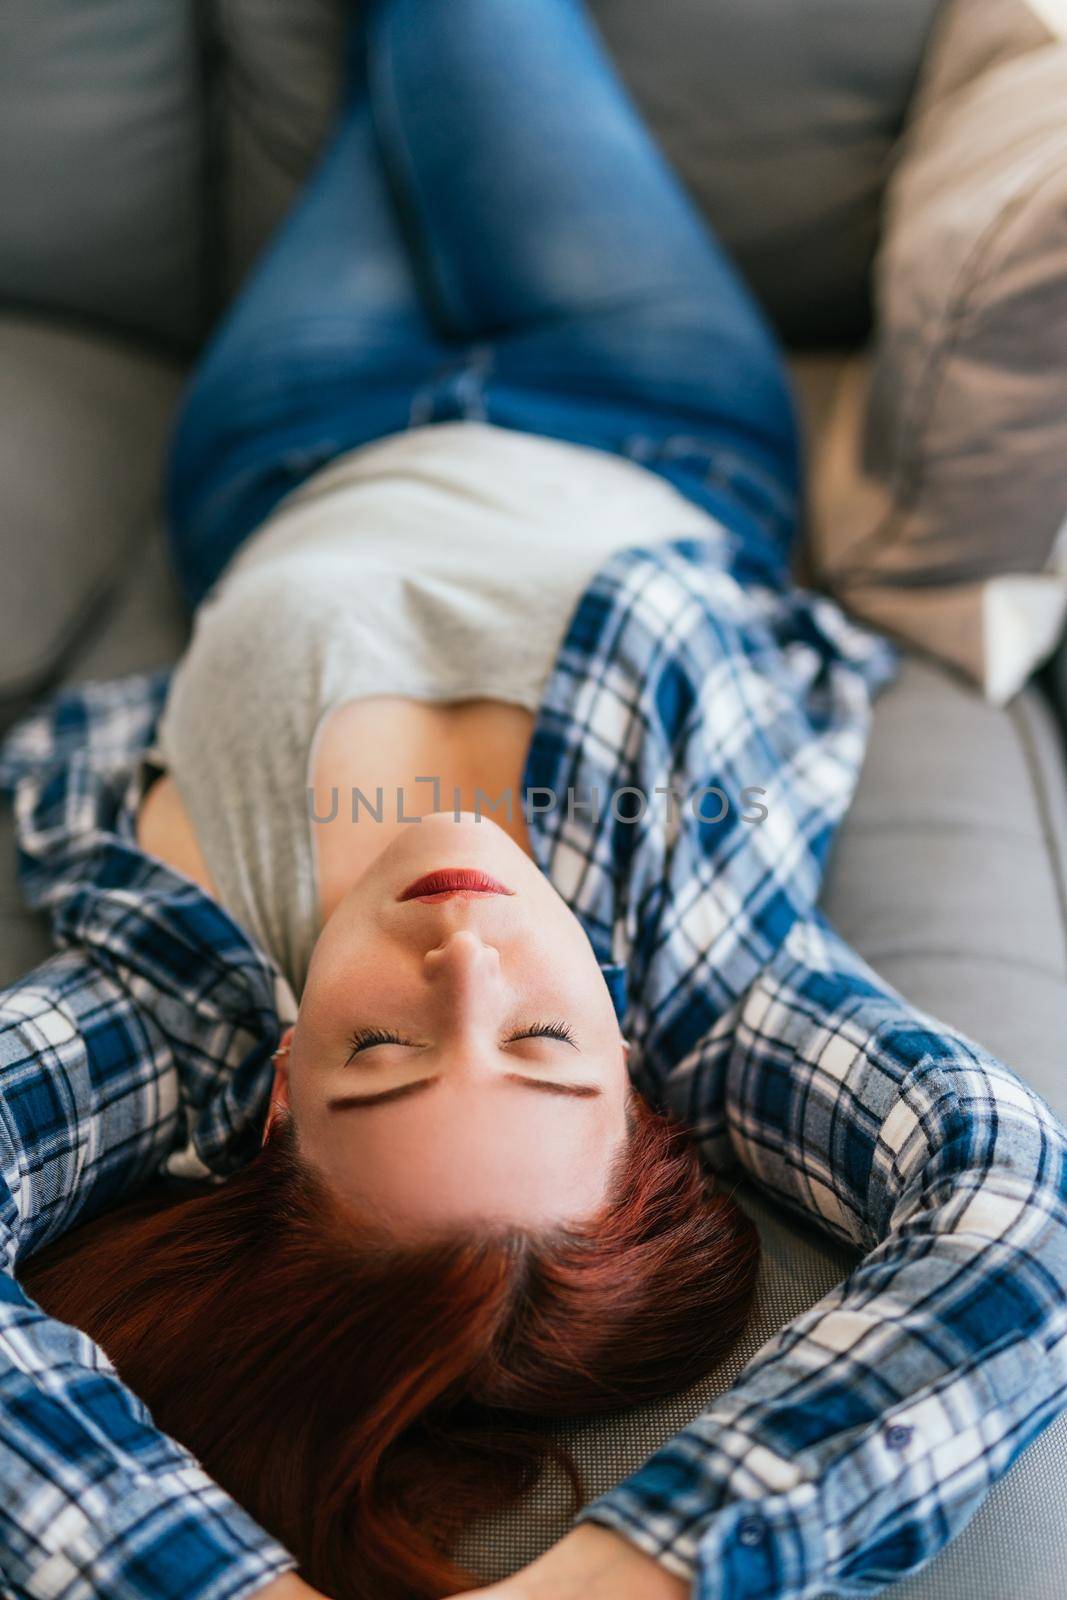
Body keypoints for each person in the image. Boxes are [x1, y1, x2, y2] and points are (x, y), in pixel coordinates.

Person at [0, 2, 1065, 1600]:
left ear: (277, 1096)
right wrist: (631, 1580)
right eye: (546, 1050)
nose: (472, 963)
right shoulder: (714, 972)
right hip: (650, 401)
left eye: (381, 1054)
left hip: (290, 434)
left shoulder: (181, 1001)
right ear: (637, 1076)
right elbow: (1010, 1218)